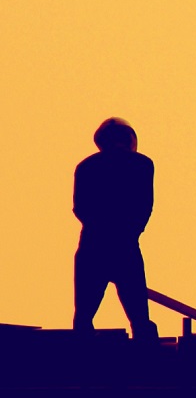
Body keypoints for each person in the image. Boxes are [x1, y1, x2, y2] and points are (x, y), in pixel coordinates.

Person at [73, 117, 158, 339]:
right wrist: (128, 232)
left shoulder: (86, 167)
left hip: (92, 246)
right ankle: (149, 361)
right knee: (140, 319)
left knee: (83, 318)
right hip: (125, 246)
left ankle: (79, 361)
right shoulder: (142, 164)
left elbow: (79, 208)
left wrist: (101, 228)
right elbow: (144, 206)